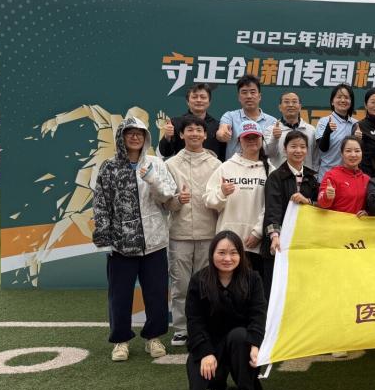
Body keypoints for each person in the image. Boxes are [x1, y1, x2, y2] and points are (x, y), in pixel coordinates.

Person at [92, 116, 177, 361]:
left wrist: (152, 178)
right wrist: (105, 238)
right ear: (121, 137)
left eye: (139, 133)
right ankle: (120, 341)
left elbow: (169, 196)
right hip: (121, 245)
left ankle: (154, 338)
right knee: (120, 296)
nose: (135, 137)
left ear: (146, 137)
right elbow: (101, 204)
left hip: (154, 242)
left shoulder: (156, 164)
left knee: (156, 294)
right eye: (130, 133)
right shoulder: (109, 167)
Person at [185, 230, 266, 390]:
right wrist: (205, 352)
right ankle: (218, 382)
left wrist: (255, 345)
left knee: (239, 336)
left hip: (242, 345)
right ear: (212, 253)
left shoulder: (253, 279)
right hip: (212, 344)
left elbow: (258, 315)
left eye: (233, 253)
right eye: (221, 253)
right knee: (208, 378)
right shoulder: (199, 280)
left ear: (241, 254)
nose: (227, 258)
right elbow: (194, 321)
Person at [163, 116, 221, 347]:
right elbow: (164, 201)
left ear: (205, 135)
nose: (194, 133)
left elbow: (220, 198)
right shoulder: (170, 165)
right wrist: (178, 200)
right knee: (181, 285)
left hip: (209, 232)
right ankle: (181, 329)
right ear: (181, 134)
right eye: (190, 130)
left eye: (199, 130)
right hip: (180, 234)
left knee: (207, 285)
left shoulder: (216, 165)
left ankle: (204, 327)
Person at [205, 122, 269, 279]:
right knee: (226, 286)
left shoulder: (269, 169)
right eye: (247, 138)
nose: (252, 141)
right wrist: (222, 193)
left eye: (255, 137)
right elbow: (208, 200)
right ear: (239, 140)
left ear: (262, 139)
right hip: (227, 242)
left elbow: (271, 206)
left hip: (255, 243)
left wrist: (258, 232)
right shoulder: (226, 167)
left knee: (253, 287)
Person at [264, 130, 320, 259]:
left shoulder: (311, 178)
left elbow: (319, 206)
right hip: (280, 240)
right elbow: (273, 209)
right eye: (293, 146)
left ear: (307, 150)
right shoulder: (275, 177)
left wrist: (307, 201)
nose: (298, 150)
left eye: (302, 147)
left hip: (305, 240)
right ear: (285, 149)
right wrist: (275, 236)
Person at [216, 75, 278, 161]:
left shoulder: (272, 121)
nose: (249, 96)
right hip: (235, 167)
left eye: (253, 92)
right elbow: (221, 132)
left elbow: (273, 151)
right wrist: (222, 135)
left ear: (259, 96)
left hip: (261, 167)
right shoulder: (230, 116)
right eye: (244, 92)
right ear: (239, 97)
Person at [158, 83, 224, 160]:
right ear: (187, 101)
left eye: (203, 97)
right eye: (194, 97)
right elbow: (165, 152)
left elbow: (222, 155)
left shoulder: (217, 126)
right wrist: (167, 137)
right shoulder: (175, 123)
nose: (199, 100)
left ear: (209, 102)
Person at [263, 90, 317, 172]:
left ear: (300, 107)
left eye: (294, 102)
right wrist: (274, 138)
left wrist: (314, 176)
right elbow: (267, 154)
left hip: (305, 177)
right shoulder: (271, 130)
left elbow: (316, 158)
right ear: (280, 107)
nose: (291, 105)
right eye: (286, 102)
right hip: (279, 178)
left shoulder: (311, 130)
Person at [315, 84, 360, 181]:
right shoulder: (324, 122)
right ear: (332, 101)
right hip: (327, 177)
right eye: (339, 97)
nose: (343, 100)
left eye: (346, 98)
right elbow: (322, 148)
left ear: (351, 102)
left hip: (349, 178)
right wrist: (327, 131)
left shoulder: (356, 124)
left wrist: (359, 139)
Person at [317, 136, 370, 216]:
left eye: (357, 151)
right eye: (348, 151)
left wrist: (368, 213)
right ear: (341, 154)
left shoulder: (367, 179)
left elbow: (371, 205)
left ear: (362, 153)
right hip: (336, 223)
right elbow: (321, 203)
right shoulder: (332, 175)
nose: (353, 155)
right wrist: (326, 196)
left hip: (358, 224)